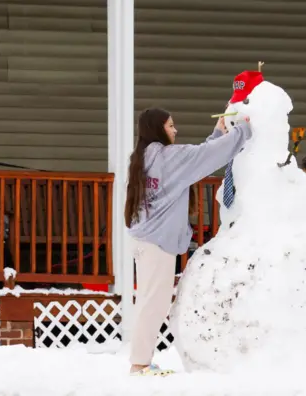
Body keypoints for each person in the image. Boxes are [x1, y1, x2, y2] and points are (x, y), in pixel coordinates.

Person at [124, 107, 251, 376]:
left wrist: (218, 132)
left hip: (144, 240)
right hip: (157, 242)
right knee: (154, 303)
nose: (175, 130)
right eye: (170, 125)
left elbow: (197, 159)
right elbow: (206, 157)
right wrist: (244, 129)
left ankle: (140, 361)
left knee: (148, 300)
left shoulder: (144, 157)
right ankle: (139, 364)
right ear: (158, 129)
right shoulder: (168, 157)